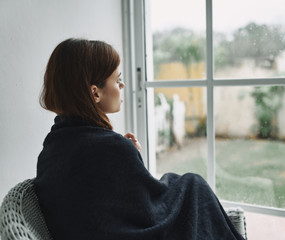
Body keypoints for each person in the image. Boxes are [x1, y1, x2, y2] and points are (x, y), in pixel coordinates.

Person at [34, 38, 244, 240]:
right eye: (117, 80)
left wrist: (124, 158)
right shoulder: (110, 148)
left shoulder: (51, 148)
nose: (123, 85)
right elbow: (149, 211)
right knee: (193, 185)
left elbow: (102, 202)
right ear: (95, 93)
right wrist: (126, 154)